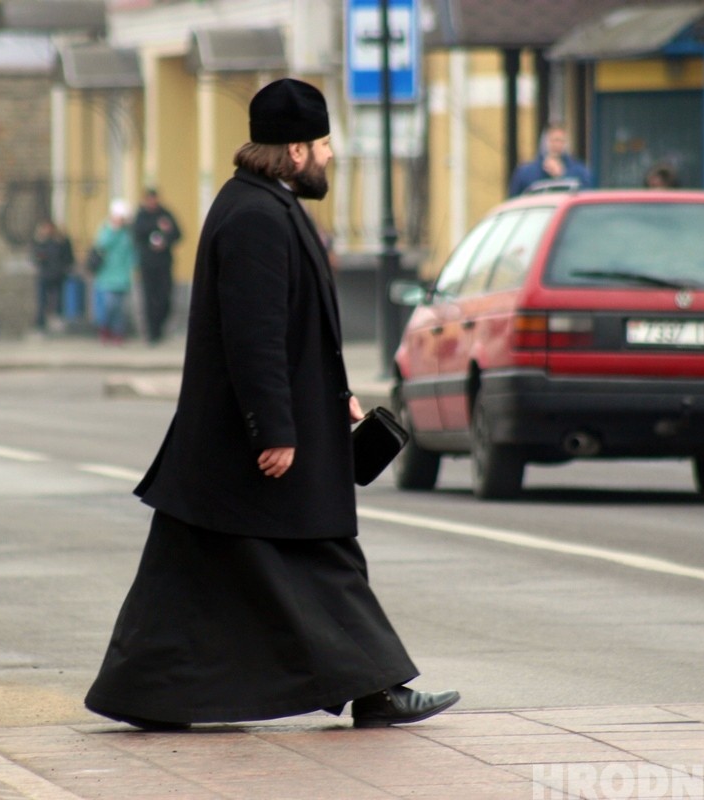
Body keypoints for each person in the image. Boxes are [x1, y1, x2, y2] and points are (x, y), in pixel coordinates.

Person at [84, 78, 460, 731]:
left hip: (234, 446)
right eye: (321, 145)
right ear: (292, 152)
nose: (329, 157)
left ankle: (146, 691)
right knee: (320, 557)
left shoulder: (262, 205)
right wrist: (274, 431)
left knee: (188, 575)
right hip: (249, 443)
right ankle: (379, 691)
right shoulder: (256, 216)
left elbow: (292, 328)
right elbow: (253, 336)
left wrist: (338, 399)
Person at [132, 188, 182, 345]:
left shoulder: (166, 214)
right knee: (149, 297)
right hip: (148, 263)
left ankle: (160, 325)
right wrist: (155, 226)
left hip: (164, 263)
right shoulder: (141, 216)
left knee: (164, 296)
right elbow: (136, 233)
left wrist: (166, 237)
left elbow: (178, 234)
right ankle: (152, 332)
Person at [91, 200, 137, 345]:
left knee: (120, 309)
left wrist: (133, 267)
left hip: (122, 277)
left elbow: (131, 253)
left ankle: (118, 333)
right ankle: (105, 329)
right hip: (106, 277)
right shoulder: (106, 230)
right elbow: (101, 245)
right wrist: (113, 230)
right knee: (108, 307)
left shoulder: (127, 234)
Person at [508, 123, 593, 196]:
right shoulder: (525, 172)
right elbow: (513, 200)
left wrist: (562, 176)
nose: (557, 145)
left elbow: (586, 196)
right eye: (553, 140)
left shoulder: (579, 171)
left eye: (561, 141)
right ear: (544, 143)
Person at [30, 220, 74, 335]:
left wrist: (65, 268)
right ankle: (40, 324)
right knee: (42, 301)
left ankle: (58, 320)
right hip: (44, 275)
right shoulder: (40, 241)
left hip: (58, 275)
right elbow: (35, 256)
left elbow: (68, 257)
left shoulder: (61, 241)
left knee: (59, 299)